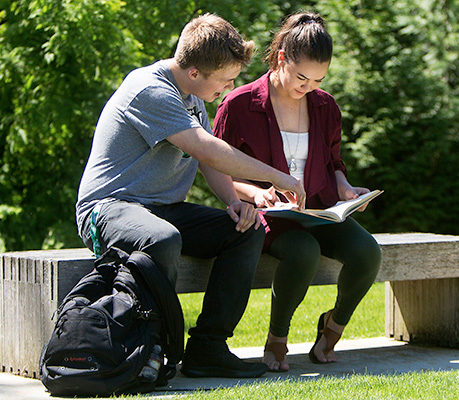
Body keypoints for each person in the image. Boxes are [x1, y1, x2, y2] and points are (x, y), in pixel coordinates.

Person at [75, 13, 305, 379]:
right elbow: (210, 149)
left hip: (162, 210)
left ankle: (208, 348)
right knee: (162, 238)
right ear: (195, 71)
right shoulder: (149, 88)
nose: (228, 90)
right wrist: (282, 178)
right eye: (225, 81)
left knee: (247, 230)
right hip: (107, 209)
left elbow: (206, 158)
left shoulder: (191, 95)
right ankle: (150, 347)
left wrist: (233, 201)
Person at [214, 11, 382, 372]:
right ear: (280, 60)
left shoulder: (325, 107)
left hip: (320, 210)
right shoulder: (238, 105)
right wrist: (254, 194)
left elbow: (334, 163)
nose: (308, 86)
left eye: (318, 79)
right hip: (271, 217)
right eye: (302, 77)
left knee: (367, 251)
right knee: (303, 252)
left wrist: (347, 189)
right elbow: (215, 167)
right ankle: (277, 339)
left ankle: (332, 329)